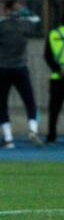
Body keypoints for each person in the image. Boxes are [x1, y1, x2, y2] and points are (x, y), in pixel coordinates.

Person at [0, 0, 42, 148]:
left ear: (6, 10)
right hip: (20, 68)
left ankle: (8, 138)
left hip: (2, 68)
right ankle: (33, 130)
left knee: (2, 104)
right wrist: (26, 12)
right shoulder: (25, 23)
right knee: (29, 101)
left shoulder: (1, 23)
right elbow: (37, 20)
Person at [44, 13, 64, 144]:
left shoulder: (52, 34)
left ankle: (51, 135)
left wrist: (58, 69)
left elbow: (47, 56)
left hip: (57, 77)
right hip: (58, 77)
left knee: (54, 108)